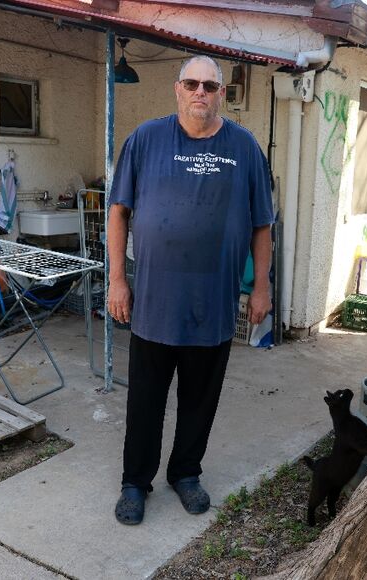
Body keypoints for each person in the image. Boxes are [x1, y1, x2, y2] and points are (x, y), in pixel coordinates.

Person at [107, 55, 274, 525]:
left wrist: (261, 287)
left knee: (200, 400)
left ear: (221, 93)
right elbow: (118, 211)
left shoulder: (244, 147)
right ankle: (134, 482)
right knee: (145, 401)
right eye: (192, 83)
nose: (201, 92)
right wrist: (117, 280)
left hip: (213, 303)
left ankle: (185, 473)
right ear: (177, 89)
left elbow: (263, 224)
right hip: (155, 302)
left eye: (210, 85)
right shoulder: (146, 139)